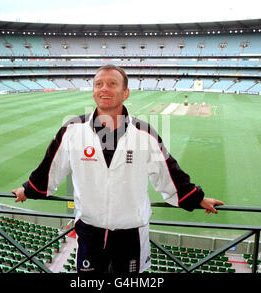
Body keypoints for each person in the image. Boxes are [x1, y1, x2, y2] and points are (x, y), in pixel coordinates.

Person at [12, 64, 225, 273]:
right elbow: (50, 168)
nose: (104, 89)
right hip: (89, 229)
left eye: (112, 84)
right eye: (98, 84)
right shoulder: (72, 130)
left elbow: (168, 173)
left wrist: (196, 198)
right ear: (93, 91)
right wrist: (28, 190)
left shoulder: (144, 133)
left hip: (131, 233)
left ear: (125, 93)